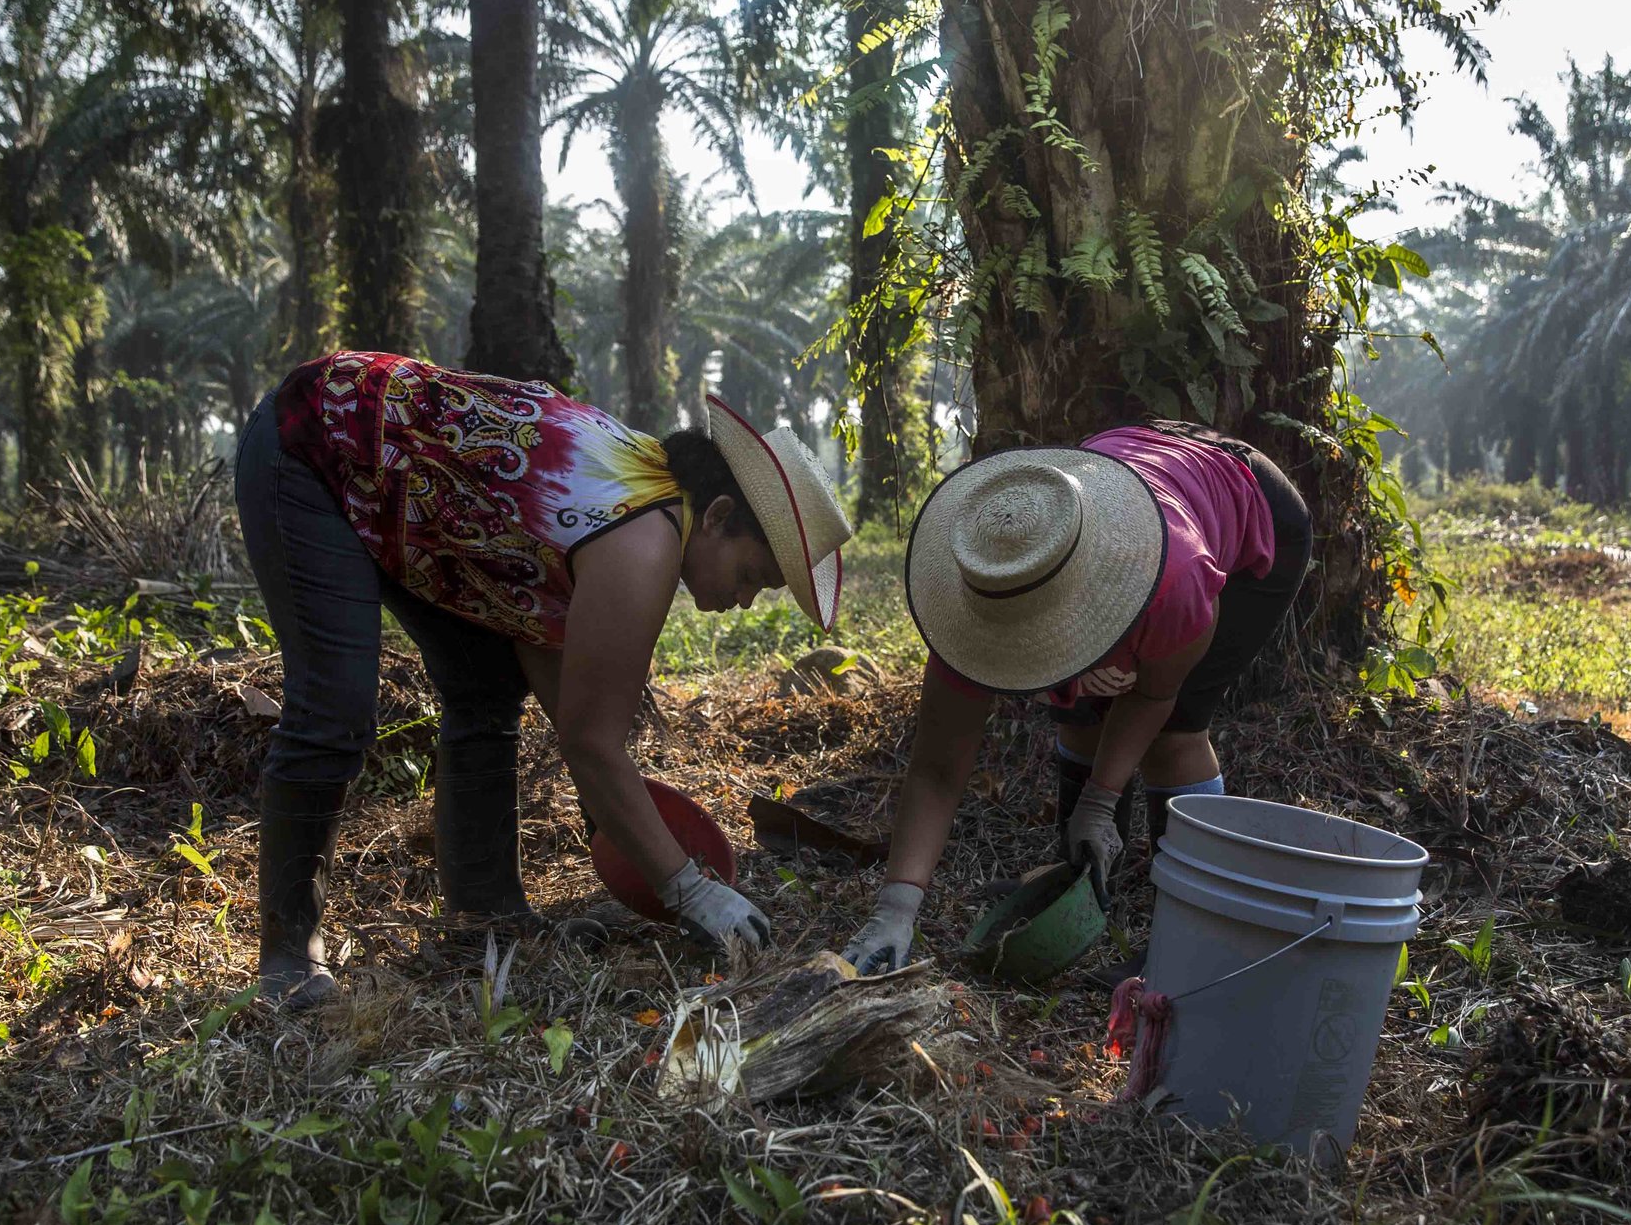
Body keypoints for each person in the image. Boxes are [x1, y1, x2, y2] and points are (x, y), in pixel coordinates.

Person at [236, 350, 851, 1006]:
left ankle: (483, 921)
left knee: (486, 686)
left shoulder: (639, 494)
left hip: (404, 492)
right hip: (315, 447)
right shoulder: (645, 539)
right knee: (335, 703)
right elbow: (591, 742)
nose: (746, 599)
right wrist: (689, 889)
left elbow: (562, 688)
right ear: (721, 516)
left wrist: (629, 824)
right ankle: (287, 956)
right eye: (752, 575)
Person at [838, 421, 1312, 976]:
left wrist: (1100, 800)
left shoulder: (1174, 579)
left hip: (1248, 500)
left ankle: (1192, 936)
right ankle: (1075, 878)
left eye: (1051, 641)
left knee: (1175, 732)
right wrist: (894, 912)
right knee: (1079, 708)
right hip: (1133, 464)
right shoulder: (977, 589)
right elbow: (938, 767)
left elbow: (1156, 694)